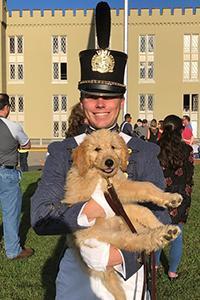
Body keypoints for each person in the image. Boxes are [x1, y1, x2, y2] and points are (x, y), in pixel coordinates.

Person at [31, 2, 170, 299]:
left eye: (109, 97)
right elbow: (41, 217)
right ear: (82, 101)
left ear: (121, 101)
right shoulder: (63, 150)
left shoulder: (143, 151)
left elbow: (163, 216)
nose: (100, 104)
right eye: (91, 96)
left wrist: (122, 255)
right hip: (78, 277)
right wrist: (83, 212)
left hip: (128, 273)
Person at [155, 115, 194, 280]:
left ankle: (154, 266)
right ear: (181, 130)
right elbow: (189, 174)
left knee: (157, 233)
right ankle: (172, 272)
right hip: (180, 196)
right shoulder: (187, 150)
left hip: (159, 194)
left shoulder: (155, 148)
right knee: (177, 235)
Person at [0, 93, 34, 259]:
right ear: (6, 109)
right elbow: (26, 144)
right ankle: (13, 250)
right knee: (10, 213)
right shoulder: (13, 126)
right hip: (6, 172)